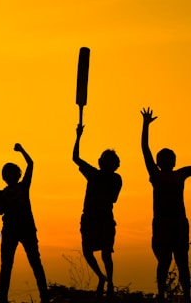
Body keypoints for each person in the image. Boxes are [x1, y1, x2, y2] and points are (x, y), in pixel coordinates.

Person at [141, 107, 191, 303]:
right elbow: (145, 150)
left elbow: (145, 150)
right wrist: (145, 126)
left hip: (173, 224)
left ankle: (178, 296)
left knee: (174, 262)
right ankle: (175, 296)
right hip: (169, 224)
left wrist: (145, 125)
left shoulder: (170, 175)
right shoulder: (164, 175)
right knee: (173, 262)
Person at [72, 124, 122, 298]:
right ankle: (105, 279)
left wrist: (78, 136)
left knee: (100, 252)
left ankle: (107, 281)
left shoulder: (101, 176)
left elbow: (76, 158)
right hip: (95, 217)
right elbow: (76, 158)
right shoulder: (111, 177)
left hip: (100, 217)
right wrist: (78, 136)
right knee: (98, 252)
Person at [0, 143, 49, 303]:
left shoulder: (23, 186)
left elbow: (31, 163)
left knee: (35, 262)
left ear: (17, 175)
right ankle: (2, 298)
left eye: (11, 173)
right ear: (4, 177)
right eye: (6, 173)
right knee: (6, 265)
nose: (8, 176)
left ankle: (44, 296)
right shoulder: (3, 193)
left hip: (26, 228)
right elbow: (0, 211)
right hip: (10, 229)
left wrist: (22, 151)